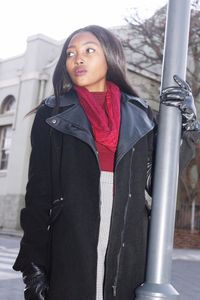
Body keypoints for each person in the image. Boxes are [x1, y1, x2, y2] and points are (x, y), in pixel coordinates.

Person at [13, 25, 200, 300]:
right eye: (71, 53)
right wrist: (33, 269)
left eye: (89, 50)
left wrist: (189, 125)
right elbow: (39, 197)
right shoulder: (52, 113)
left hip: (129, 245)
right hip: (71, 246)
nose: (78, 58)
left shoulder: (142, 115)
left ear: (110, 57)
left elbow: (163, 178)